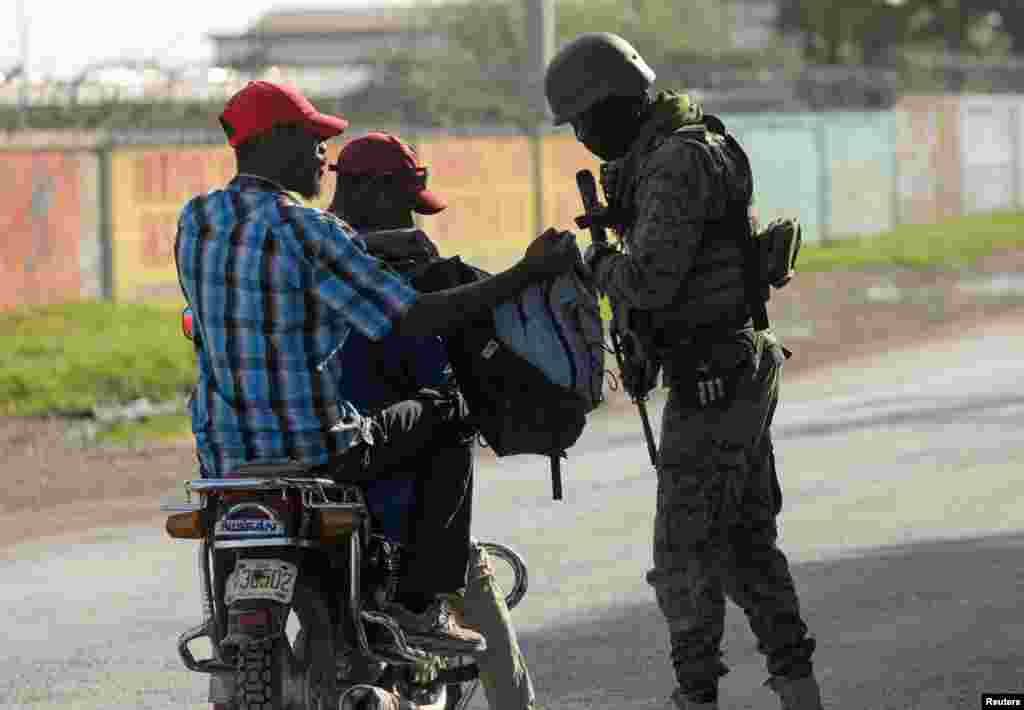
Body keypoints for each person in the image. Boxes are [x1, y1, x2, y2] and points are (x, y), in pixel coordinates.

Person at [174, 80, 578, 655]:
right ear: (281, 141)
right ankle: (419, 608)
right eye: (315, 139)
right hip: (318, 449)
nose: (324, 156)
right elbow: (407, 317)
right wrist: (526, 273)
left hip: (225, 457)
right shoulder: (312, 231)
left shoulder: (196, 220)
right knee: (448, 413)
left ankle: (236, 648)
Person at [544, 34, 823, 710]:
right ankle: (799, 689)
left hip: (716, 374)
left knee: (683, 559)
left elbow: (648, 280)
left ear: (615, 103)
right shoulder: (672, 152)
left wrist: (588, 261)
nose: (582, 137)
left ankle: (695, 695)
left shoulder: (675, 162)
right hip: (727, 365)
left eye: (584, 119)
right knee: (745, 548)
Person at [326, 130, 536, 710]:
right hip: (388, 483)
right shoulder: (391, 276)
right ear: (366, 193)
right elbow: (430, 351)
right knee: (471, 574)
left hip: (308, 468)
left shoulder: (303, 253)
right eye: (400, 206)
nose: (411, 224)